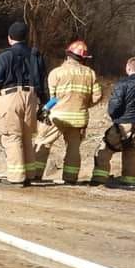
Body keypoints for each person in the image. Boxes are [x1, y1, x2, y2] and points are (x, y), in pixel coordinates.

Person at [30, 40, 102, 184]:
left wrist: (46, 109)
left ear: (68, 55)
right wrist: (84, 104)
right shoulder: (91, 74)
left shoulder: (56, 73)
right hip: (79, 118)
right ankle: (70, 178)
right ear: (83, 59)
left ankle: (35, 175)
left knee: (43, 142)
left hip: (57, 116)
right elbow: (97, 96)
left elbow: (52, 98)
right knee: (74, 148)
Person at [0, 22, 48, 186]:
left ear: (9, 38)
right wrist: (44, 103)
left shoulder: (4, 56)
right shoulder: (36, 55)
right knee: (27, 136)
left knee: (12, 136)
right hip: (32, 96)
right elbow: (43, 80)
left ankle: (15, 177)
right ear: (26, 37)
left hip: (11, 96)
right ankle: (29, 174)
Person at [91, 58, 135, 189]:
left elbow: (114, 105)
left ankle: (99, 179)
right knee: (133, 153)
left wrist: (114, 116)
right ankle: (129, 180)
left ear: (128, 67)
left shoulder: (122, 83)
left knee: (105, 149)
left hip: (122, 123)